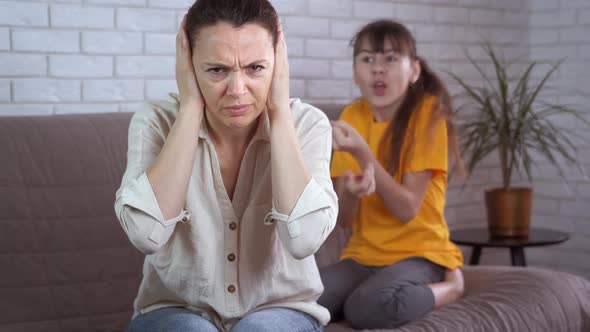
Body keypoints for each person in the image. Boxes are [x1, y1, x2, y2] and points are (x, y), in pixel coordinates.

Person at [114, 0, 337, 331]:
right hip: (174, 309)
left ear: (278, 64)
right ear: (189, 66)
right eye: (217, 70)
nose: (237, 90)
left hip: (280, 308)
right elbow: (147, 236)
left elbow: (303, 241)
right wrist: (190, 107)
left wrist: (278, 111)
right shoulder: (156, 121)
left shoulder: (307, 125)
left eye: (255, 68)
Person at [317, 19, 465, 330]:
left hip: (420, 254)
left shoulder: (428, 114)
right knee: (304, 296)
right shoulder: (351, 116)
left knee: (365, 307)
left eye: (390, 58)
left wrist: (362, 153)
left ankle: (451, 287)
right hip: (363, 255)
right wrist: (352, 192)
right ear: (356, 73)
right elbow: (343, 220)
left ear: (414, 71)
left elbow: (407, 208)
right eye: (367, 59)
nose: (378, 69)